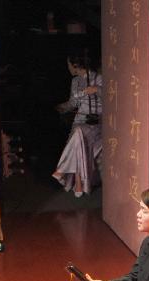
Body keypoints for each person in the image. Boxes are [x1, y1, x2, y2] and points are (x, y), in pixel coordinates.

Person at [52, 53, 102, 198]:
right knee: (78, 133)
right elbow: (73, 103)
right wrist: (61, 107)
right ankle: (79, 184)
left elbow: (109, 97)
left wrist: (97, 90)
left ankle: (66, 173)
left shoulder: (98, 78)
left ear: (75, 65)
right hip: (80, 120)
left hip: (96, 120)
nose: (68, 68)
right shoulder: (75, 81)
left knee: (78, 133)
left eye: (69, 64)